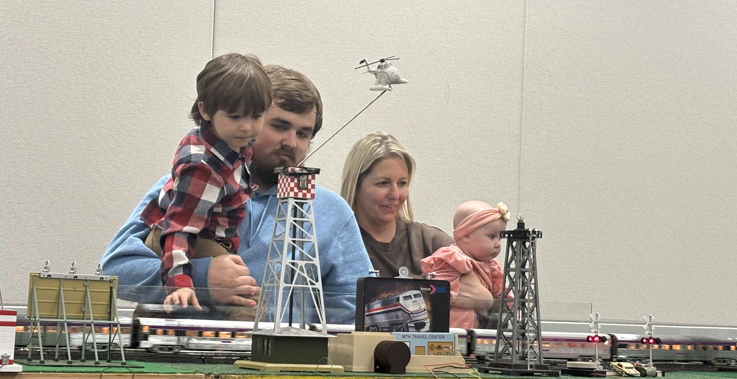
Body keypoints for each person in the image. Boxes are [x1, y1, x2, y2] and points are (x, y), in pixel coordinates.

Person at [101, 64, 373, 324]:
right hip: (182, 352)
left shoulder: (332, 213)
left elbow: (356, 312)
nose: (291, 142)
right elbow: (116, 268)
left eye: (303, 133)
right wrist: (202, 279)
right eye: (279, 126)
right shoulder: (188, 181)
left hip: (274, 355)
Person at [142, 53, 272, 310]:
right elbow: (180, 228)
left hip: (204, 237)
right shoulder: (202, 168)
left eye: (256, 117)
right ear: (205, 110)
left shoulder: (228, 142)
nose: (247, 127)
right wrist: (180, 283)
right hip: (184, 238)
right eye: (235, 117)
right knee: (250, 302)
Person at [340, 132, 452, 278]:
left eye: (402, 183)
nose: (395, 195)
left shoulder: (433, 244)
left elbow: (478, 283)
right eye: (383, 183)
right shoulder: (336, 246)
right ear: (355, 186)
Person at [421, 200, 510, 328]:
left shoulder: (491, 265)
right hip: (451, 329)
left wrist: (511, 304)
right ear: (466, 235)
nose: (498, 244)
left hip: (477, 331)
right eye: (491, 237)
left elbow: (502, 292)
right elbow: (439, 291)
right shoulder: (452, 258)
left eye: (499, 238)